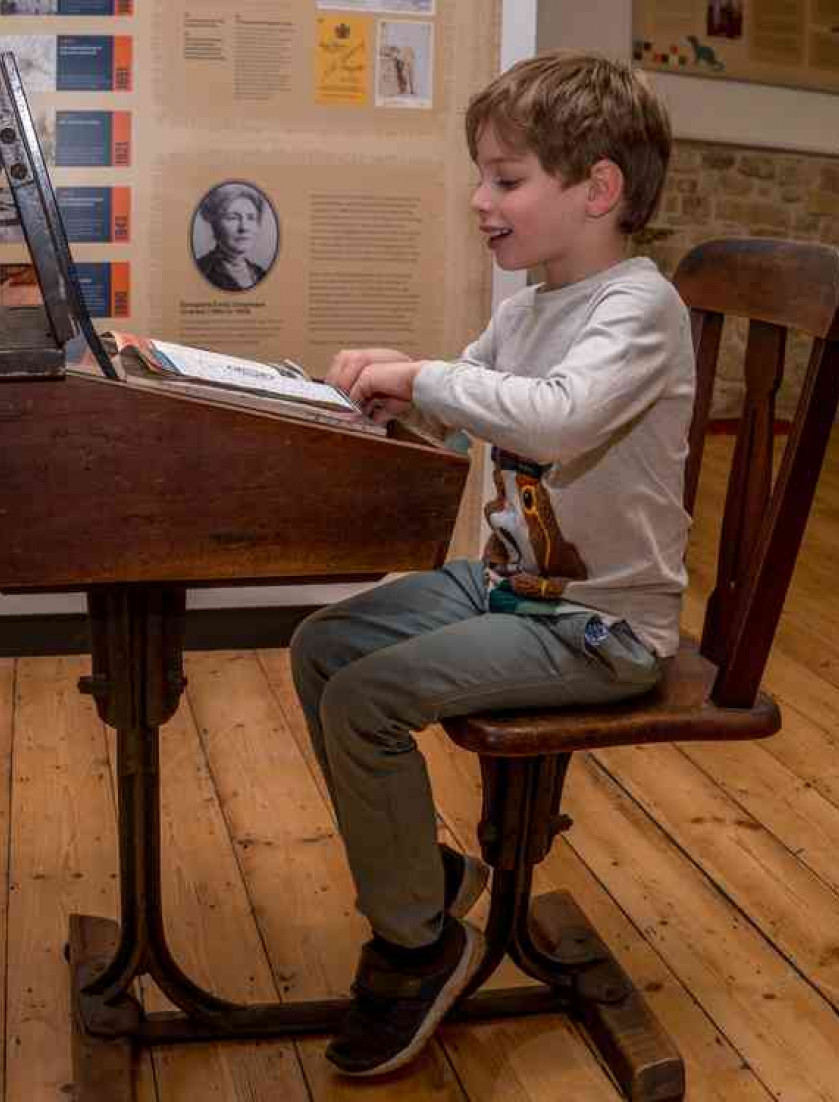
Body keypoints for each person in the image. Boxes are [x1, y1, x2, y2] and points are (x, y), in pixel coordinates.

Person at [289, 50, 694, 1077]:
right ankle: (419, 875)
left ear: (597, 188)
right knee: (325, 646)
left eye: (506, 178)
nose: (481, 199)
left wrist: (427, 375)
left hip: (600, 627)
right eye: (483, 175)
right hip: (511, 586)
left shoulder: (636, 309)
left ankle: (417, 943)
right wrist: (396, 390)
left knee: (365, 699)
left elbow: (556, 423)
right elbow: (469, 397)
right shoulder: (529, 304)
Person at [194, 183, 271, 292]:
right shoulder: (202, 271)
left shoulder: (261, 274)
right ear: (215, 224)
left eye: (251, 218)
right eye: (232, 218)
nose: (244, 227)